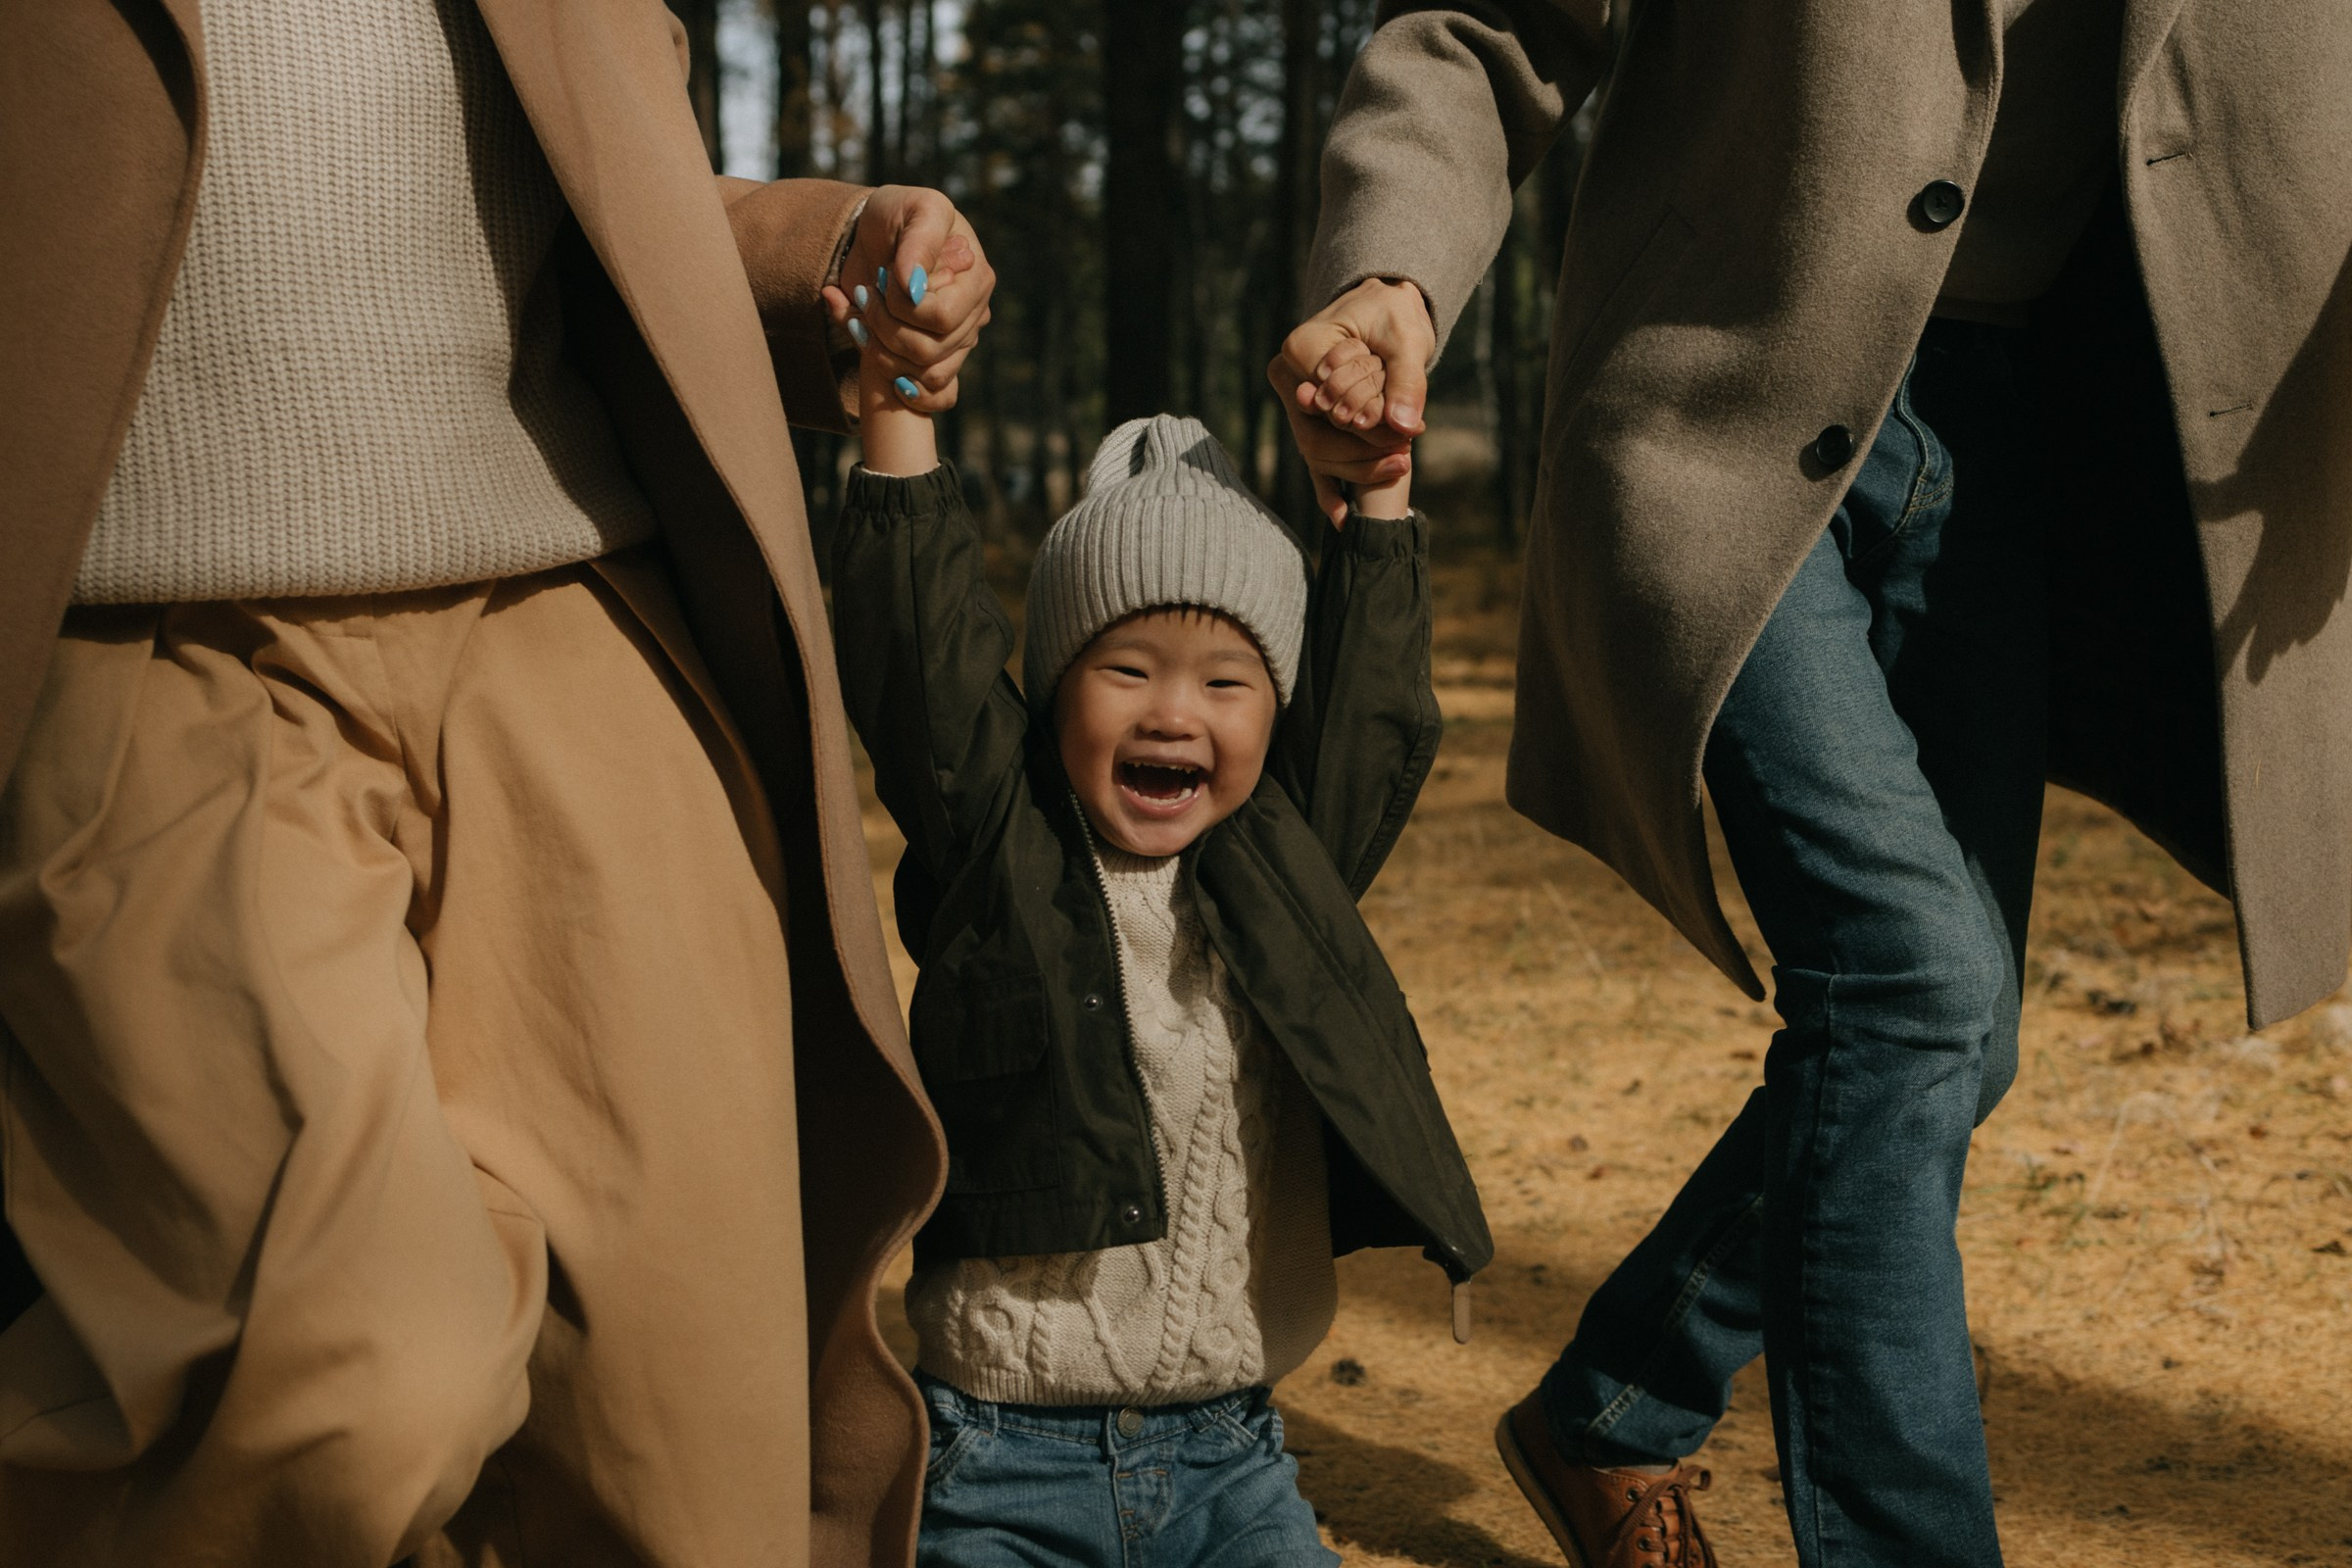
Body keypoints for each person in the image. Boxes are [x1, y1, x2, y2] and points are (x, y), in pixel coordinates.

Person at [1273, 2, 2352, 1565]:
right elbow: (1483, 24)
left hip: (2021, 436)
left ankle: (1616, 1403)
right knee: (1913, 981)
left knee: (1948, 1037)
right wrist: (1391, 268)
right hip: (1714, 405)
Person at [0, 1, 994, 1562]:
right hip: (150, 646)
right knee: (345, 1388)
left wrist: (835, 256)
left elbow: (587, 194)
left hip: (573, 613)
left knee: (691, 1447)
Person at [825, 304, 1490, 1563]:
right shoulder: (1001, 840)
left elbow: (1373, 715)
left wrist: (1379, 502)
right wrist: (896, 416)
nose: (1175, 711)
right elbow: (919, 655)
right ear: (1055, 688)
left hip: (1232, 1462)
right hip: (997, 1457)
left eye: (1225, 682)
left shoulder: (1289, 863)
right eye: (1125, 668)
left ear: (1272, 713)